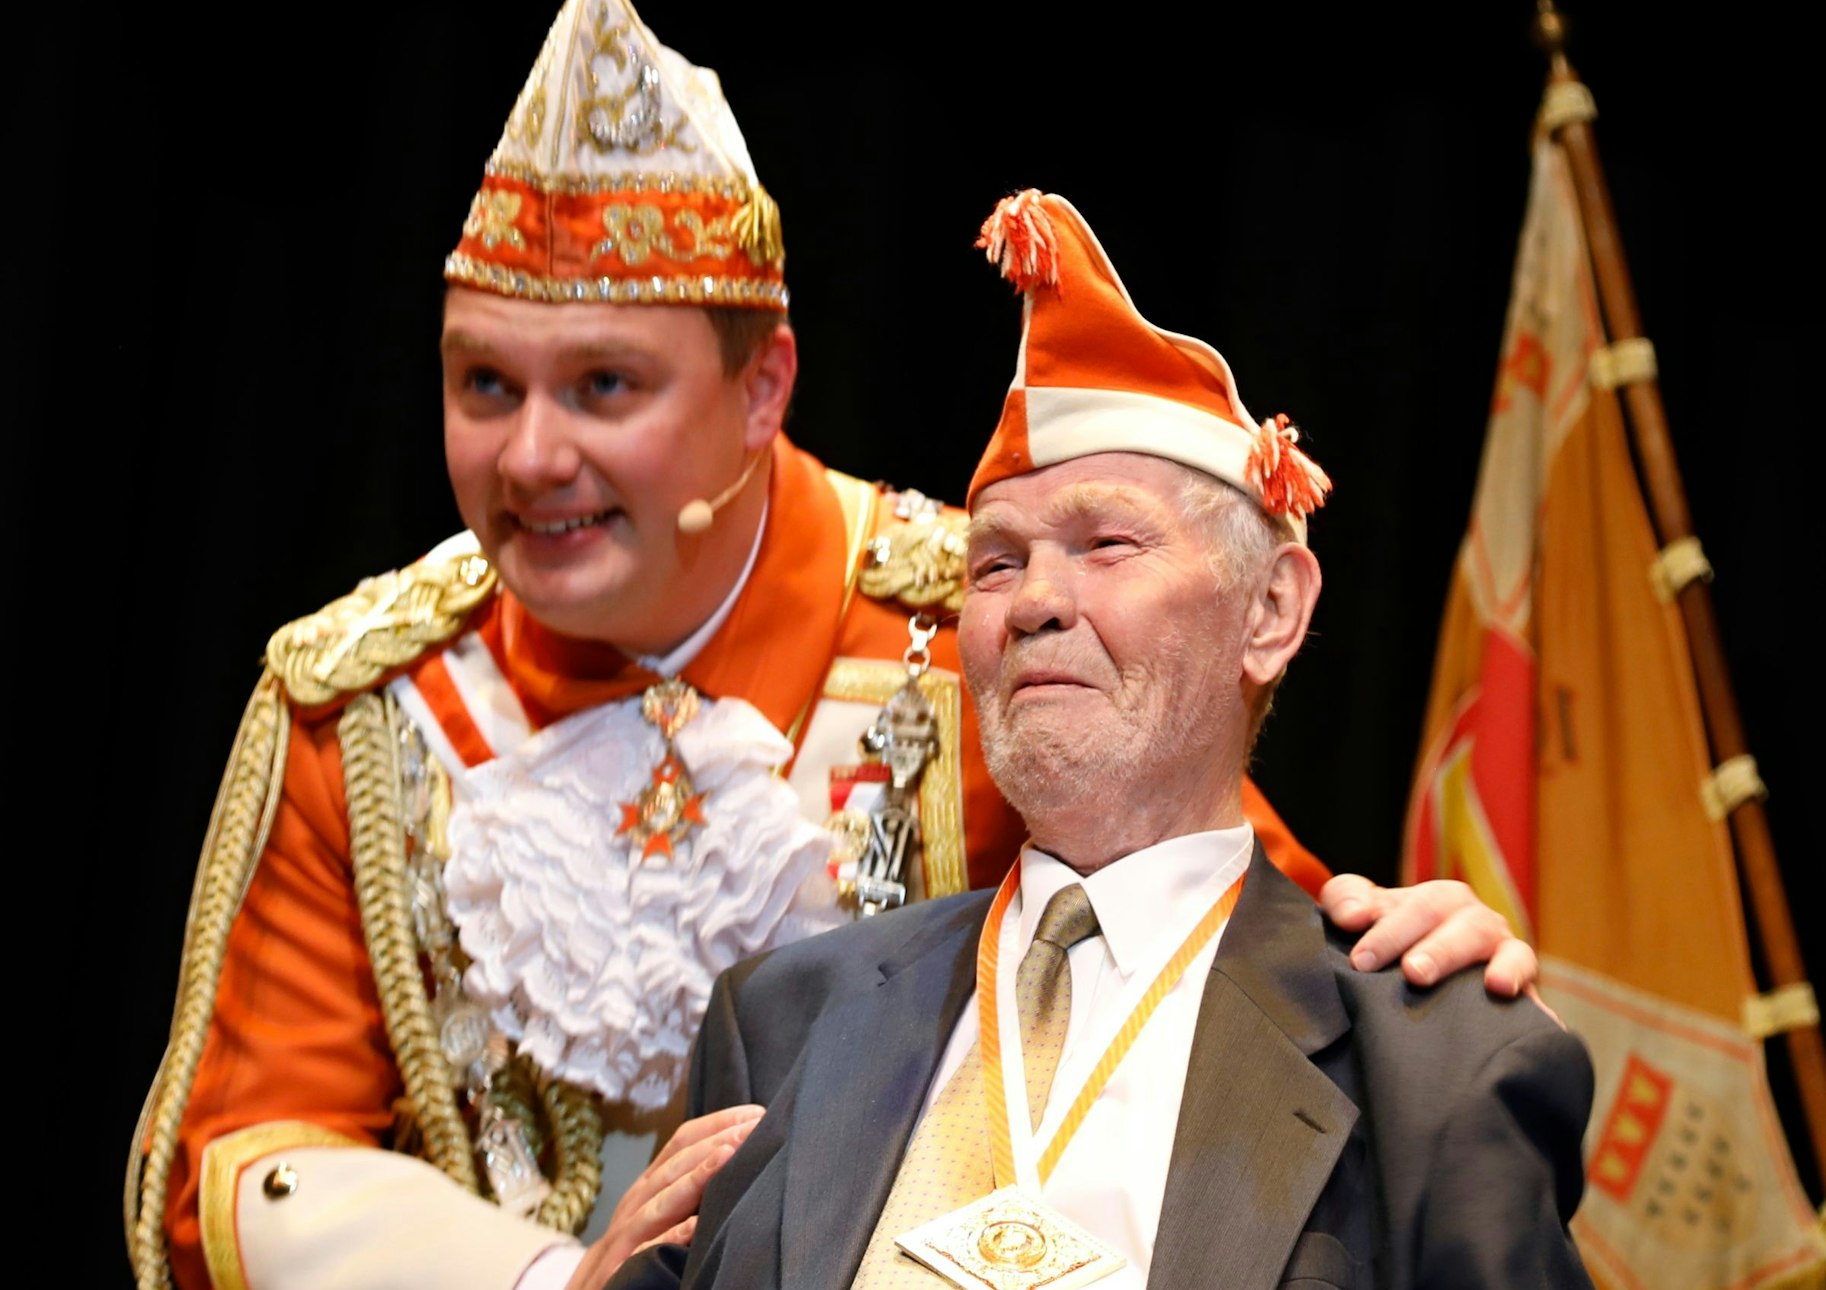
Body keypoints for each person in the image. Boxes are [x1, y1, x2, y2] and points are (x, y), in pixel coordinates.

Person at [123, 0, 1544, 1290]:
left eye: (604, 386)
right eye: (484, 387)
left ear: (763, 390)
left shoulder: (970, 619)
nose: (530, 457)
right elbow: (235, 1165)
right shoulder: (373, 701)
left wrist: (1406, 942)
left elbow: (1227, 927)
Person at [597, 189, 1595, 1290]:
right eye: (994, 562)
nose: (1034, 601)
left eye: (1106, 542)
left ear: (1268, 610)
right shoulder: (784, 1021)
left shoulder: (1432, 1056)